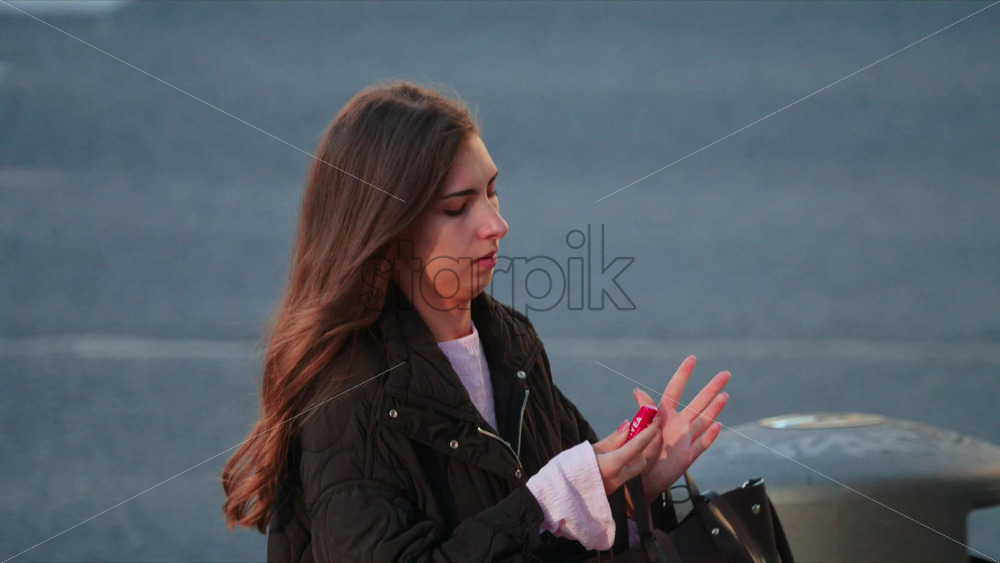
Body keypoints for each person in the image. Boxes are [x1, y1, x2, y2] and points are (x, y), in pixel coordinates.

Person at [221, 79, 731, 562]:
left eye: (491, 191)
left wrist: (634, 483)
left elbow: (567, 535)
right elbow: (543, 513)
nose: (496, 224)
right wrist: (548, 502)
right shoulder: (351, 397)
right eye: (458, 207)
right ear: (387, 231)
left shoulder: (513, 344)